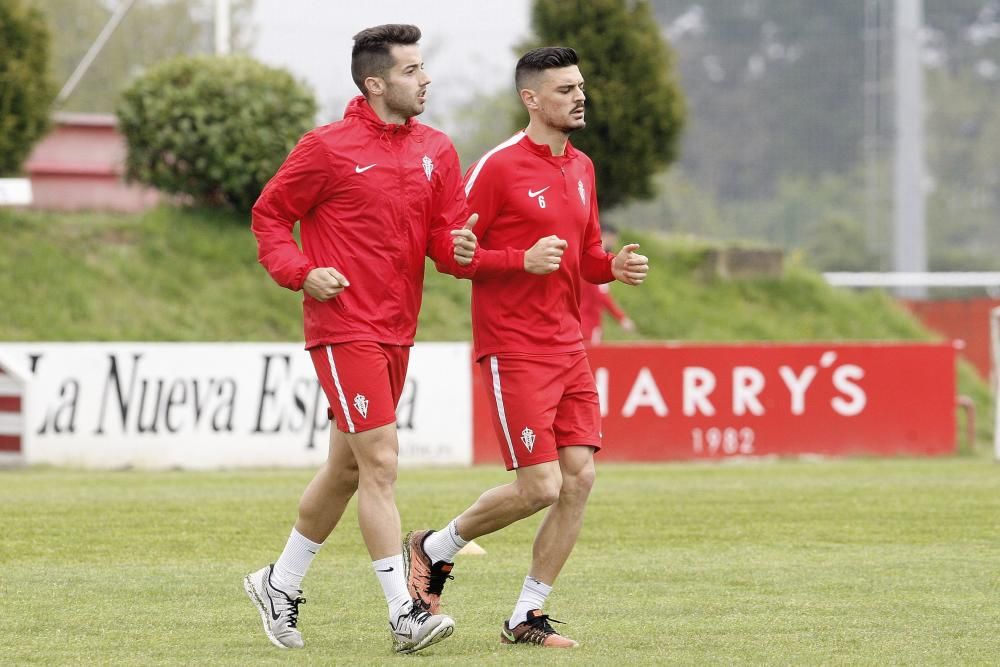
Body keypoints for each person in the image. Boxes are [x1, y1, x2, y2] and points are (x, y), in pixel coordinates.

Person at [243, 24, 481, 655]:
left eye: (423, 67)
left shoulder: (438, 149)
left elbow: (445, 244)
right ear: (375, 83)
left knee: (346, 469)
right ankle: (404, 612)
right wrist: (301, 272)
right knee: (381, 462)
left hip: (399, 329)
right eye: (411, 70)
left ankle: (279, 581)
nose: (424, 79)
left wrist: (460, 249)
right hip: (344, 326)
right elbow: (270, 216)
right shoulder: (326, 148)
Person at [403, 46, 649, 648]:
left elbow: (586, 258)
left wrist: (611, 266)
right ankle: (434, 548)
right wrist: (520, 259)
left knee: (580, 479)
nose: (579, 96)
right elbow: (453, 254)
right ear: (531, 99)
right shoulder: (498, 167)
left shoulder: (584, 168)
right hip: (515, 348)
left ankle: (527, 616)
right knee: (539, 487)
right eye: (565, 89)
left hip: (569, 347)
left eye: (581, 86)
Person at [579, 225, 636, 345]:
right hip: (589, 325)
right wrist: (621, 318)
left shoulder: (581, 258)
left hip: (575, 323)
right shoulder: (598, 264)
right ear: (607, 236)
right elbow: (602, 296)